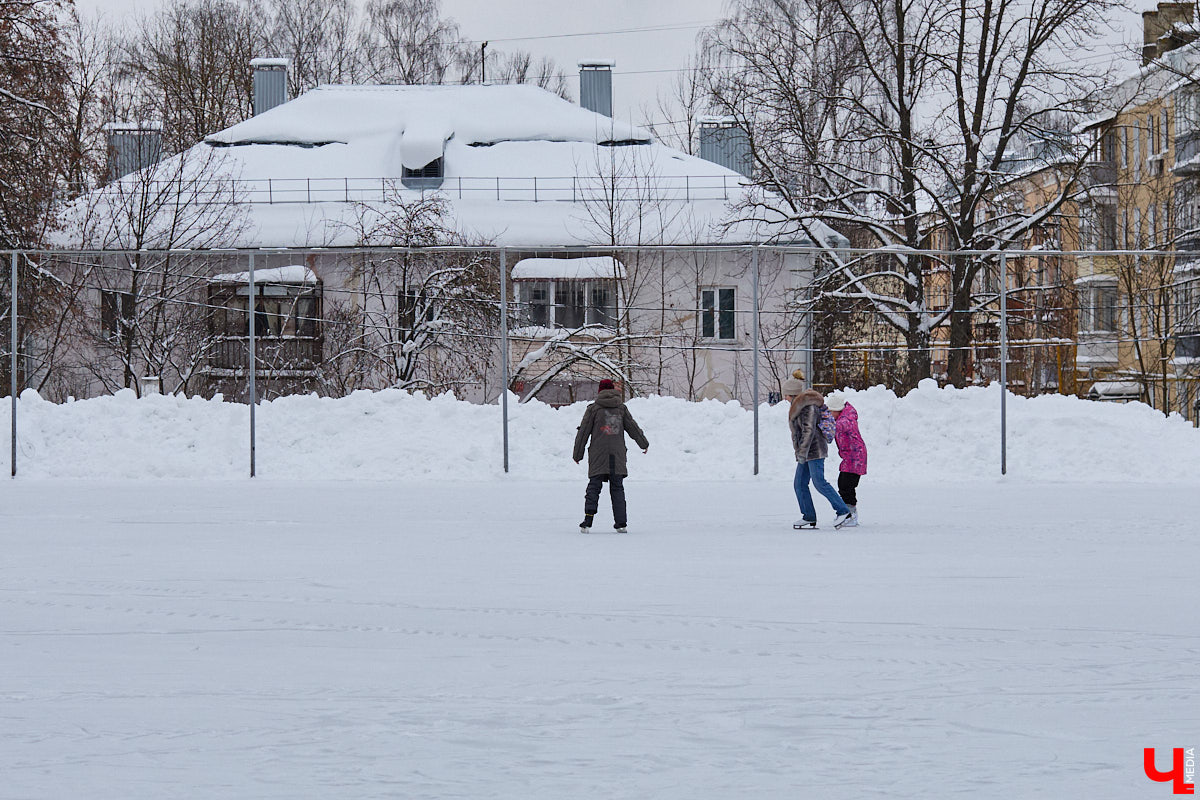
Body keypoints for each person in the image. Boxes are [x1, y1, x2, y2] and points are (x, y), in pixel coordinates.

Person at [573, 379, 649, 532]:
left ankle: (587, 521)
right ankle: (621, 524)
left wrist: (577, 454)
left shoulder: (593, 409)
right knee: (617, 488)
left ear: (600, 391)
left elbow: (583, 433)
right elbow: (633, 428)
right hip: (617, 455)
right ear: (613, 390)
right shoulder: (621, 409)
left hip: (598, 455)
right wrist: (644, 444)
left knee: (594, 487)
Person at [781, 369, 852, 530]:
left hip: (814, 450)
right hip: (805, 452)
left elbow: (809, 430)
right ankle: (809, 516)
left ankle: (843, 511)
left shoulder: (808, 407)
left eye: (786, 395)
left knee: (819, 482)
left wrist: (802, 451)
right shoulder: (798, 406)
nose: (784, 398)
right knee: (799, 483)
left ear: (792, 394)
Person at [825, 392, 867, 527]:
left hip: (856, 457)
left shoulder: (847, 419)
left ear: (837, 410)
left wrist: (827, 426)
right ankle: (848, 513)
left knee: (846, 486)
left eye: (831, 412)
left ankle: (851, 515)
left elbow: (842, 426)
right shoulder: (841, 417)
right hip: (850, 457)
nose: (830, 415)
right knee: (844, 485)